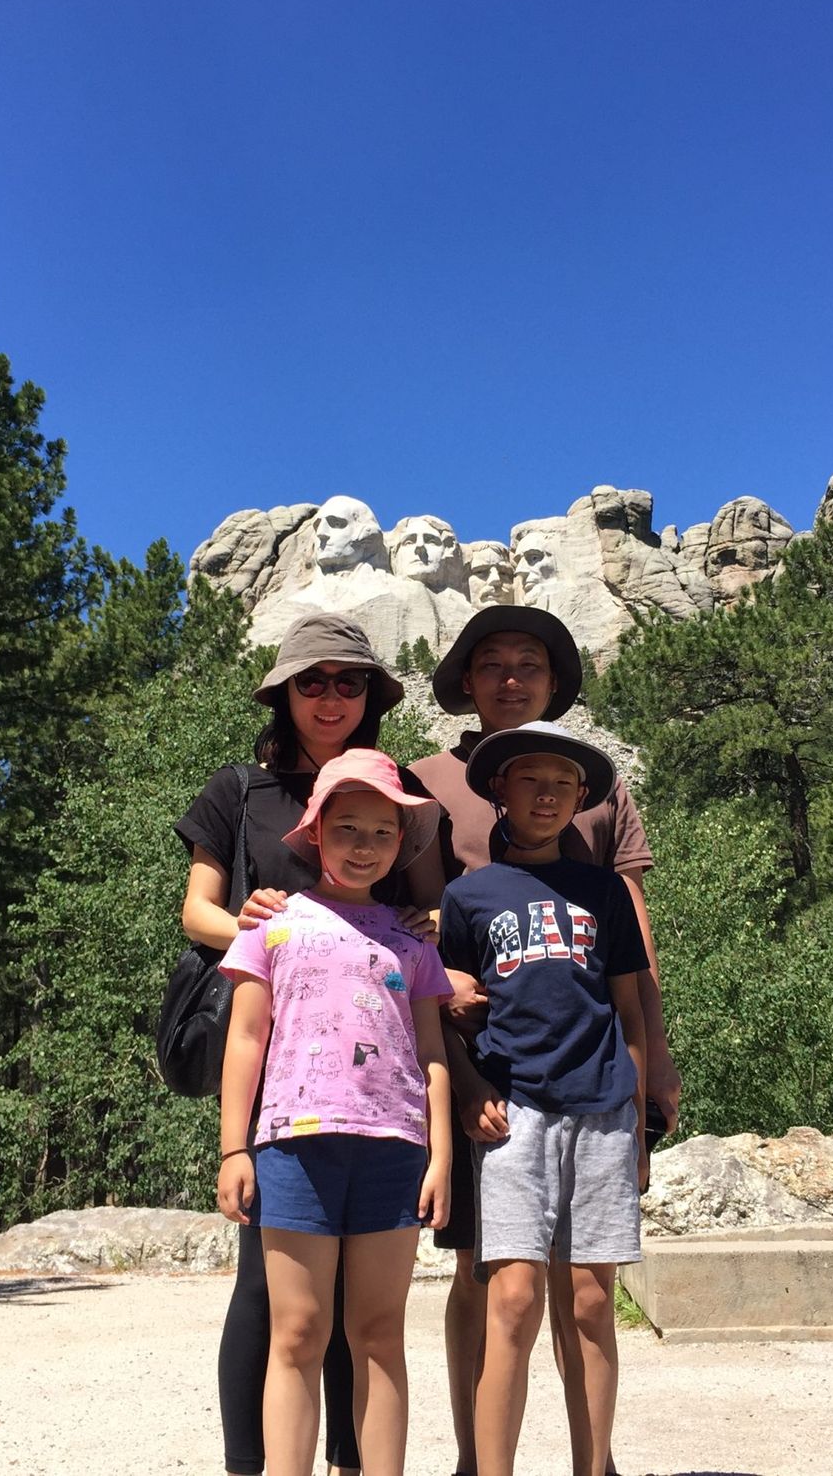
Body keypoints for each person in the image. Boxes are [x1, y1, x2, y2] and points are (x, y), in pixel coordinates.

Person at [407, 606, 678, 1474]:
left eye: (531, 663)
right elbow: (400, 910)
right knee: (485, 1281)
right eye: (493, 663)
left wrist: (657, 1061)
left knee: (585, 1292)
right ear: (466, 678)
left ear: (557, 681)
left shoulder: (601, 789)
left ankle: (590, 1461)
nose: (512, 678)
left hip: (591, 1077)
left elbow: (629, 927)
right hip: (482, 1075)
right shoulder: (422, 781)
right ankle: (475, 1458)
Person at [177, 613, 443, 1476]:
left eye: (350, 681)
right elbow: (197, 911)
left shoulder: (392, 788)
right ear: (284, 692)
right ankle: (250, 1465)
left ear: (372, 696)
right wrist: (261, 925)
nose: (331, 697)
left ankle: (353, 1462)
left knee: (362, 1311)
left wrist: (424, 925)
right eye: (312, 681)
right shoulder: (239, 790)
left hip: (378, 1088)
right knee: (272, 1292)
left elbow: (430, 912)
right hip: (280, 1068)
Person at [217, 748, 453, 1476]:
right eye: (348, 828)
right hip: (293, 1146)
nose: (366, 846)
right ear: (315, 832)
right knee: (297, 1334)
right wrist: (234, 1149)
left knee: (379, 1333)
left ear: (402, 843)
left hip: (394, 1149)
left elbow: (432, 1051)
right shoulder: (271, 926)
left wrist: (441, 1156)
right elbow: (246, 1038)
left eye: (384, 833)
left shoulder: (411, 940)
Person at [437, 722, 648, 1476]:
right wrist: (468, 1090)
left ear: (582, 797)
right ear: (501, 788)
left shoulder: (604, 893)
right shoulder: (468, 896)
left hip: (601, 1110)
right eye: (531, 779)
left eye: (564, 782)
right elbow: (445, 1011)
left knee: (591, 1303)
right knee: (514, 1299)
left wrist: (641, 1117)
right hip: (514, 1110)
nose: (548, 793)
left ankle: (594, 1467)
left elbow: (629, 1008)